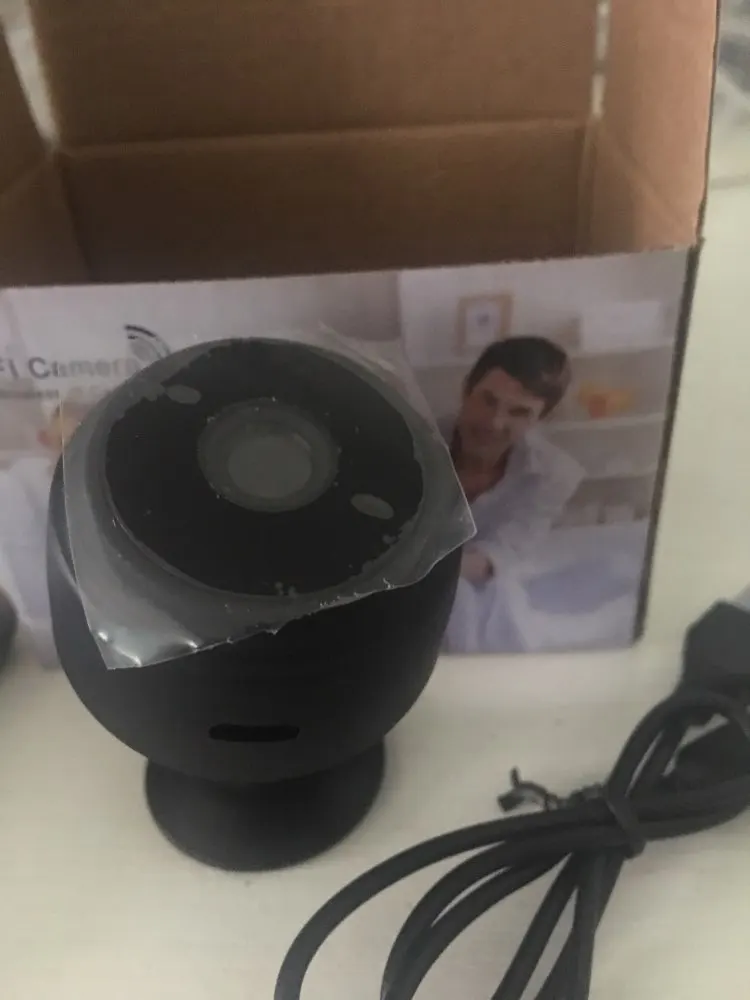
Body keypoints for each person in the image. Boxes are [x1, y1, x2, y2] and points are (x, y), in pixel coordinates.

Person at [442, 336, 583, 653]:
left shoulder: (556, 473)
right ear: (466, 390)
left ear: (540, 418)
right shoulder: (415, 444)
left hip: (486, 580)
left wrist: (436, 576)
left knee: (496, 595)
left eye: (519, 412)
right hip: (415, 579)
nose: (494, 423)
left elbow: (504, 551)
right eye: (487, 400)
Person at [0, 398, 90, 667]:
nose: (68, 452)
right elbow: (27, 565)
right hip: (56, 619)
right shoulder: (22, 483)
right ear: (45, 440)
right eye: (62, 443)